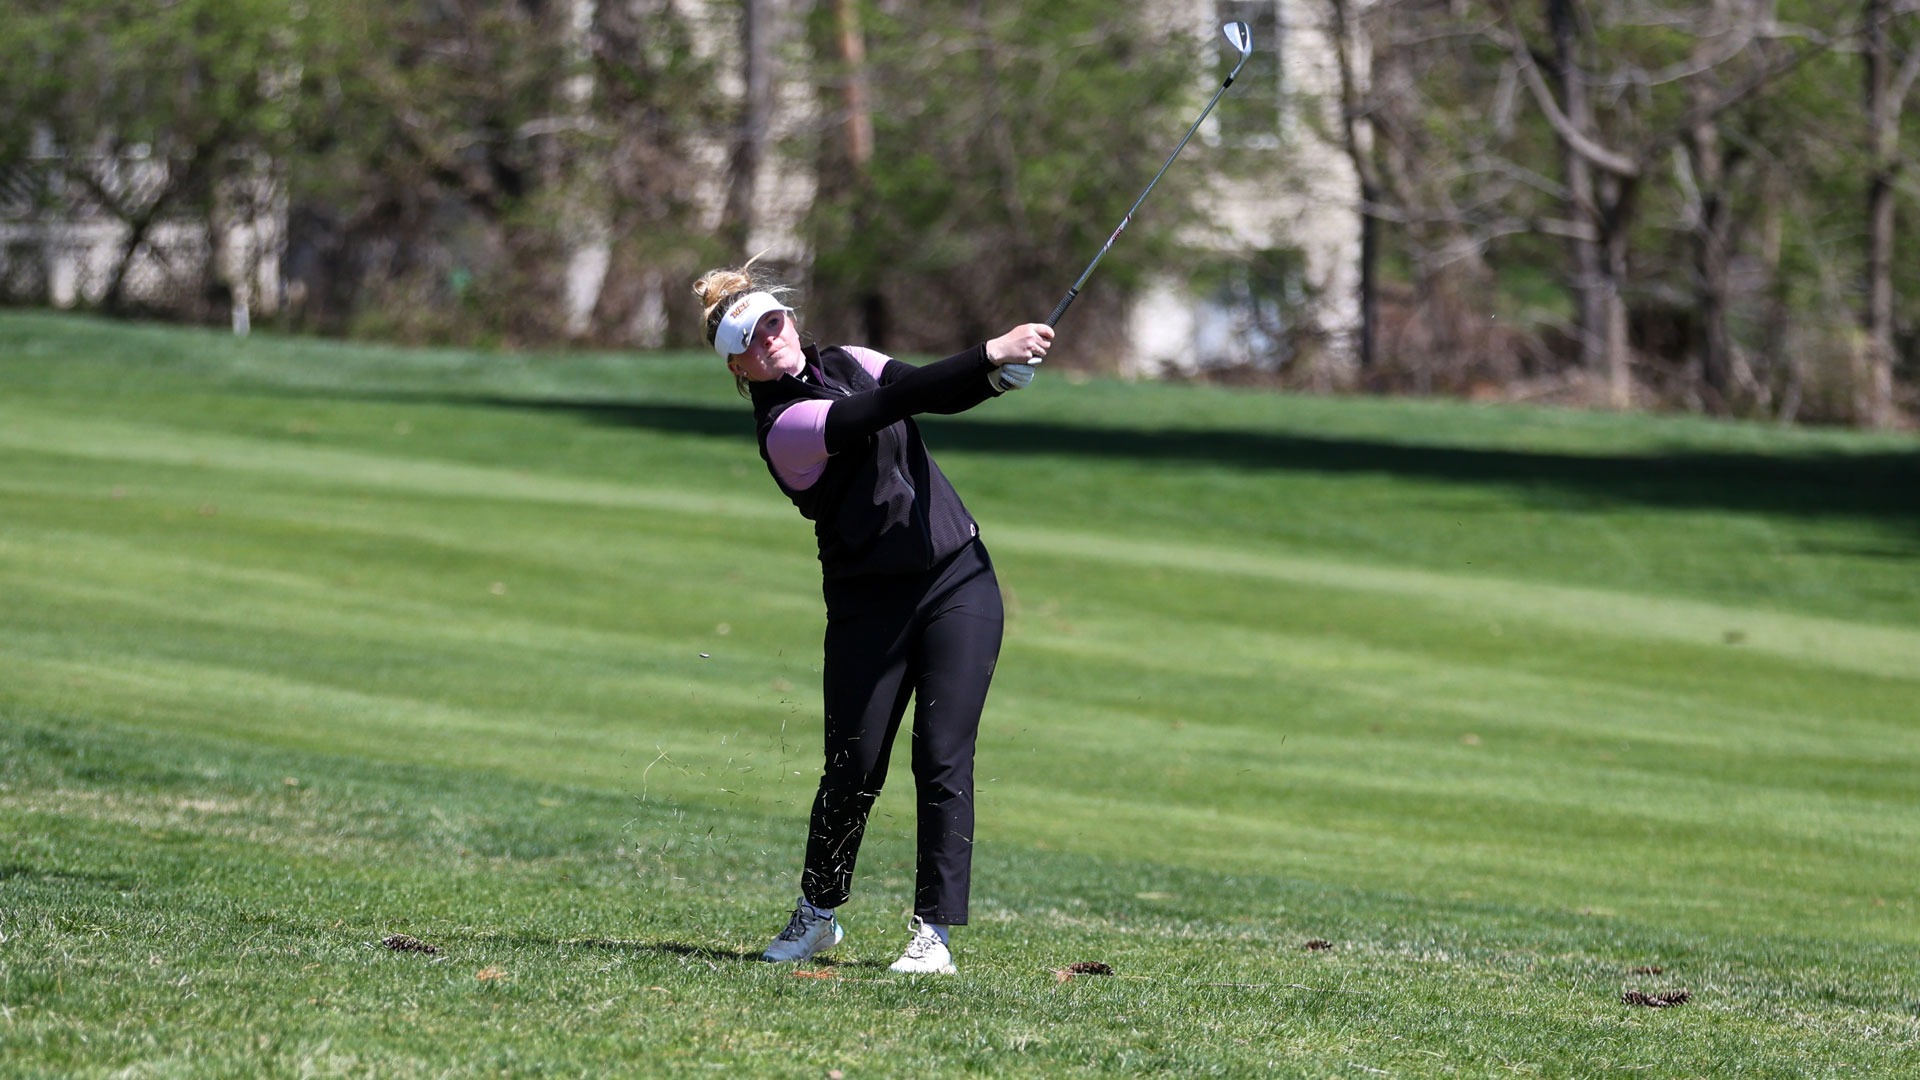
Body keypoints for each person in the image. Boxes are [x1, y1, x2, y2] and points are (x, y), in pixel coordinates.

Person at [693, 263, 1053, 974]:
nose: (770, 340)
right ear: (737, 365)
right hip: (868, 605)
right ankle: (818, 915)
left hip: (959, 578)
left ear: (789, 319)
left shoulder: (850, 361)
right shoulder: (785, 429)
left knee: (943, 754)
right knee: (853, 767)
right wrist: (989, 352)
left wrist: (991, 380)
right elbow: (878, 413)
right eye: (751, 340)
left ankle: (934, 936)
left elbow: (927, 392)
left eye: (774, 322)